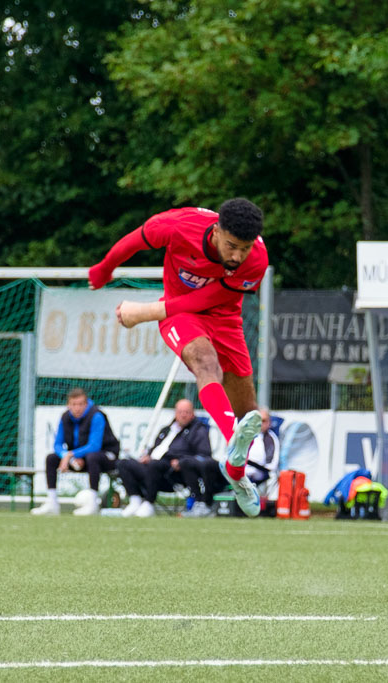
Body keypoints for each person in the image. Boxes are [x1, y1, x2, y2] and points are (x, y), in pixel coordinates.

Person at [88, 198, 269, 517]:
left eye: (244, 248)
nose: (237, 256)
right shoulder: (176, 226)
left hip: (226, 318)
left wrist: (143, 312)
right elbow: (133, 240)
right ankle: (232, 448)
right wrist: (104, 268)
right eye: (231, 246)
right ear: (216, 231)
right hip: (181, 315)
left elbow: (210, 298)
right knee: (205, 363)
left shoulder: (256, 259)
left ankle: (236, 469)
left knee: (246, 411)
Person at [117, 398, 213, 518]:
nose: (183, 415)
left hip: (172, 473)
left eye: (186, 412)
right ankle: (135, 500)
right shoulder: (166, 430)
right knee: (124, 463)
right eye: (180, 412)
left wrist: (181, 461)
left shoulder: (198, 430)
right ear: (175, 413)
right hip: (151, 467)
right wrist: (147, 456)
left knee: (155, 464)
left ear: (193, 413)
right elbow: (155, 448)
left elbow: (204, 454)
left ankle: (148, 503)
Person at [32, 387, 120, 516]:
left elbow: (94, 446)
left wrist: (71, 455)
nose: (77, 408)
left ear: (86, 404)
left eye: (80, 404)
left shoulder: (97, 416)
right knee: (51, 458)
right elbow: (57, 444)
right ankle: (52, 502)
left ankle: (92, 503)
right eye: (73, 405)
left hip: (107, 456)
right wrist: (70, 458)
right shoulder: (65, 417)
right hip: (79, 458)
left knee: (93, 457)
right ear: (68, 405)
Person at [245, 408, 281, 496]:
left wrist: (255, 468)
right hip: (241, 470)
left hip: (259, 472)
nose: (260, 423)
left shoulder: (271, 439)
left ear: (269, 422)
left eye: (264, 421)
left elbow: (272, 465)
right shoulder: (246, 435)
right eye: (258, 420)